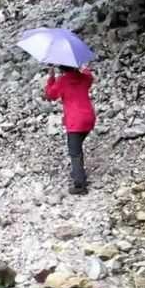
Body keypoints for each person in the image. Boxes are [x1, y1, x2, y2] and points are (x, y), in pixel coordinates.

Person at [44, 64, 96, 195]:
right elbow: (90, 77)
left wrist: (51, 77)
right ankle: (78, 172)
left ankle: (80, 185)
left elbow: (50, 95)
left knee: (75, 152)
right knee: (77, 147)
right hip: (89, 118)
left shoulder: (62, 81)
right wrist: (83, 67)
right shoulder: (84, 77)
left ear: (61, 69)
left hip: (75, 121)